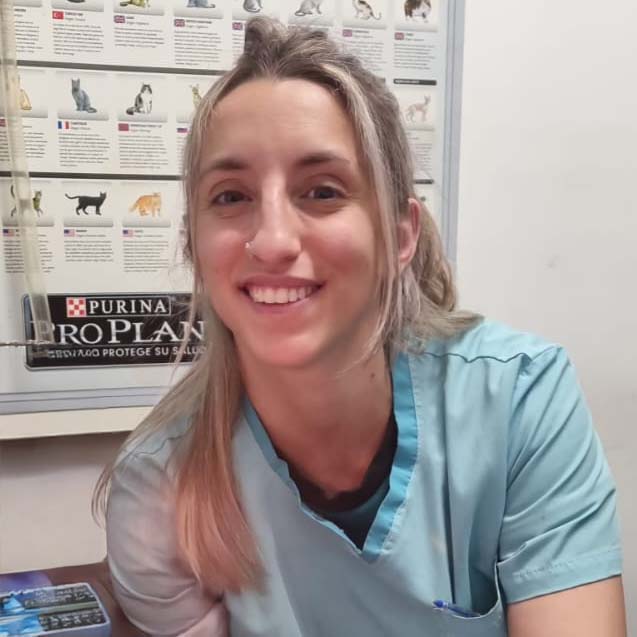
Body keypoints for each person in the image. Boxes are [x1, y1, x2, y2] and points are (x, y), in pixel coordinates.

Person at [96, 17, 626, 637]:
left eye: (322, 191)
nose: (272, 240)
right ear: (194, 243)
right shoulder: (159, 490)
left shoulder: (519, 402)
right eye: (231, 196)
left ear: (400, 237)